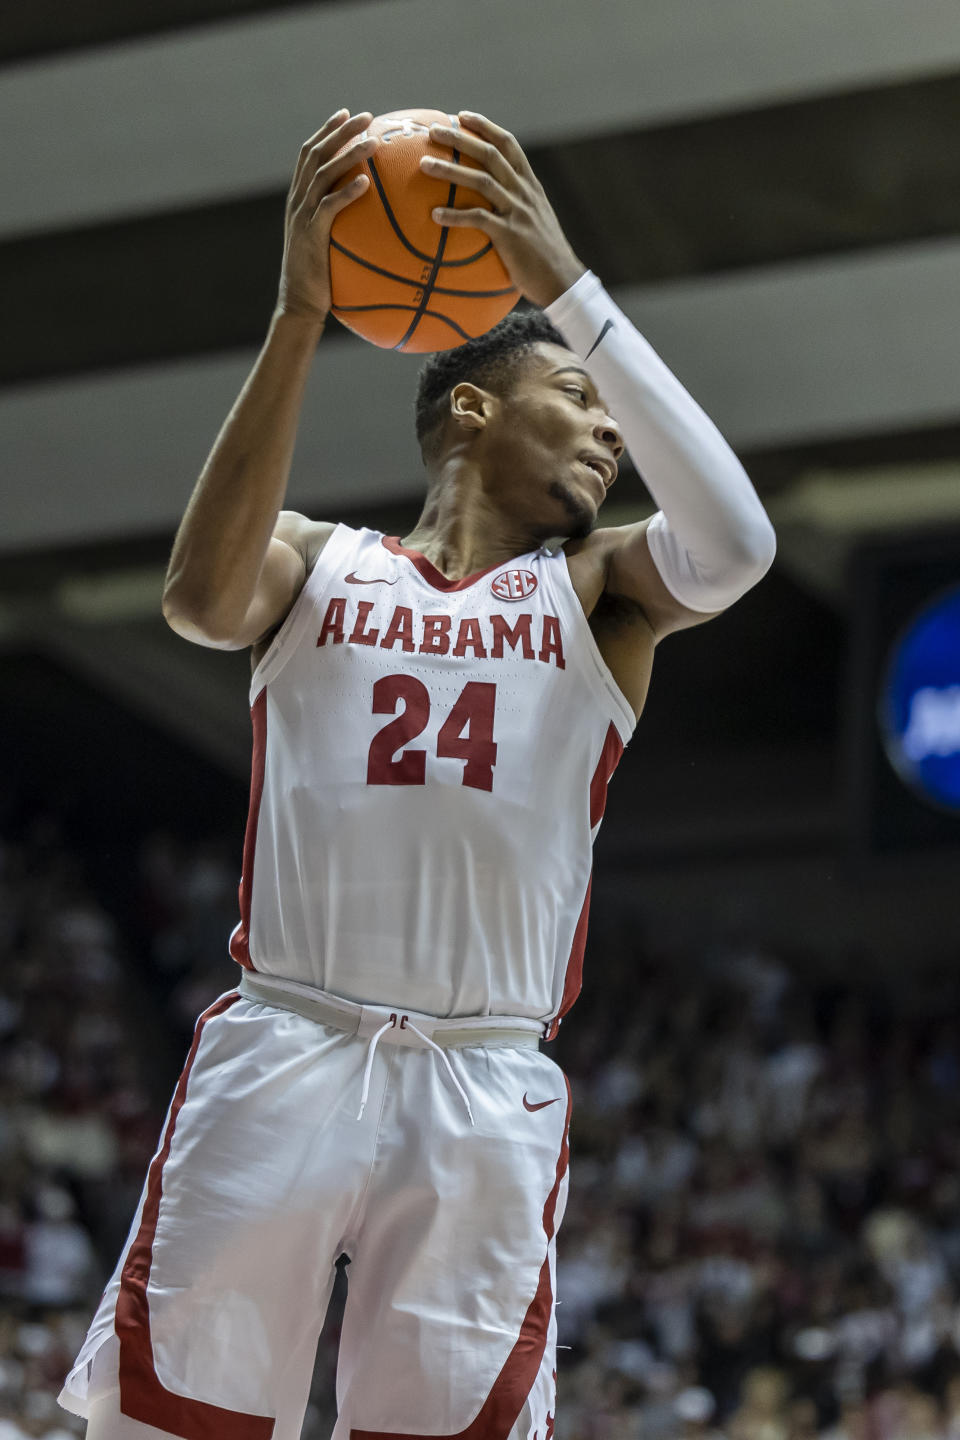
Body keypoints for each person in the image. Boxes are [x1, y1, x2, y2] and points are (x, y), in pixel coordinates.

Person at [58, 107, 776, 1440]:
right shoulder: (313, 561)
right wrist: (296, 318)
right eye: (580, 395)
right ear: (471, 404)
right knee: (167, 1425)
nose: (612, 433)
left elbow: (735, 543)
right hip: (288, 1040)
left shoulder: (599, 592)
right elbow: (200, 602)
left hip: (482, 1075)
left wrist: (569, 285)